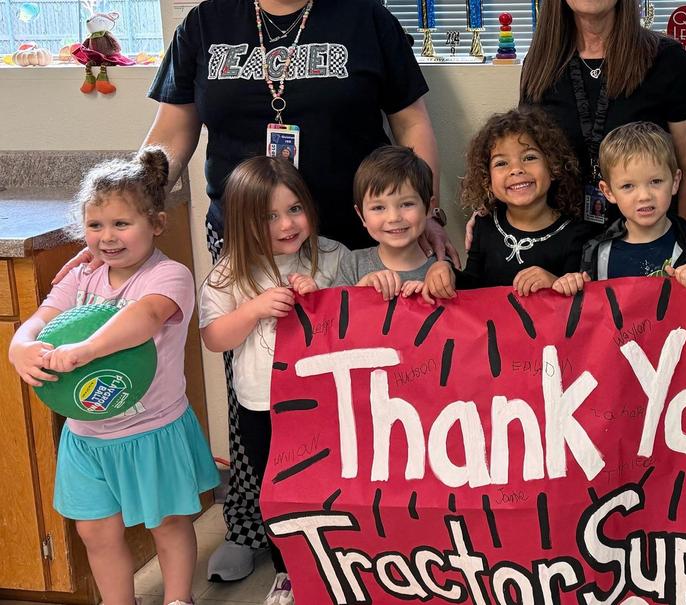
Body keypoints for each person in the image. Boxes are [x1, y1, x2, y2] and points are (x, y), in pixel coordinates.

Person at [108, 0, 453, 578]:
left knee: (352, 392)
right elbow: (171, 133)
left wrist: (429, 210)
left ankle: (359, 522)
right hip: (242, 242)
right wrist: (130, 213)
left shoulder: (365, 19)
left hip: (348, 240)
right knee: (257, 387)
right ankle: (251, 520)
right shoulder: (205, 23)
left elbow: (412, 121)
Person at [7, 149, 219, 605]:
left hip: (153, 430)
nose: (108, 238)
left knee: (169, 524)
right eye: (96, 226)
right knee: (96, 532)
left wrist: (85, 350)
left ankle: (179, 599)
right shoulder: (81, 278)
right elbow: (42, 317)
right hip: (86, 437)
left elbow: (143, 320)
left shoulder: (169, 275)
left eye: (122, 225)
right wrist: (19, 346)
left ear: (156, 224)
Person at [198, 156, 347, 605]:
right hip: (262, 405)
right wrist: (253, 310)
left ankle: (341, 567)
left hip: (329, 402)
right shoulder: (230, 272)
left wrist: (321, 299)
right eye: (269, 216)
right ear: (244, 223)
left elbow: (357, 316)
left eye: (295, 209)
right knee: (277, 494)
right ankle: (289, 571)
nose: (287, 224)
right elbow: (213, 338)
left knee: (331, 488)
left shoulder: (333, 256)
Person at [520, 0, 686, 227]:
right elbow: (522, 157)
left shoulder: (665, 58)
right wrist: (491, 211)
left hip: (645, 238)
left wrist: (683, 245)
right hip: (560, 241)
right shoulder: (541, 63)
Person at [427, 108, 598, 297]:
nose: (516, 169)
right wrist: (446, 272)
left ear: (553, 167)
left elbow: (579, 300)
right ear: (487, 179)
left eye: (529, 157)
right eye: (501, 163)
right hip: (491, 325)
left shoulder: (576, 234)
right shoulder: (485, 225)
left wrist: (554, 283)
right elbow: (472, 287)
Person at [553, 122, 686, 295]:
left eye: (655, 182)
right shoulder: (595, 251)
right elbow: (588, 312)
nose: (644, 196)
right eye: (628, 186)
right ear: (608, 192)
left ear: (675, 182)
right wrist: (569, 286)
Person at [331, 146, 452, 300]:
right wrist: (360, 290)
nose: (394, 217)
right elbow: (333, 315)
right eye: (379, 207)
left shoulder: (441, 267)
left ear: (428, 207)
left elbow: (458, 317)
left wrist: (430, 299)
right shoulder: (352, 264)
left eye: (407, 204)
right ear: (361, 216)